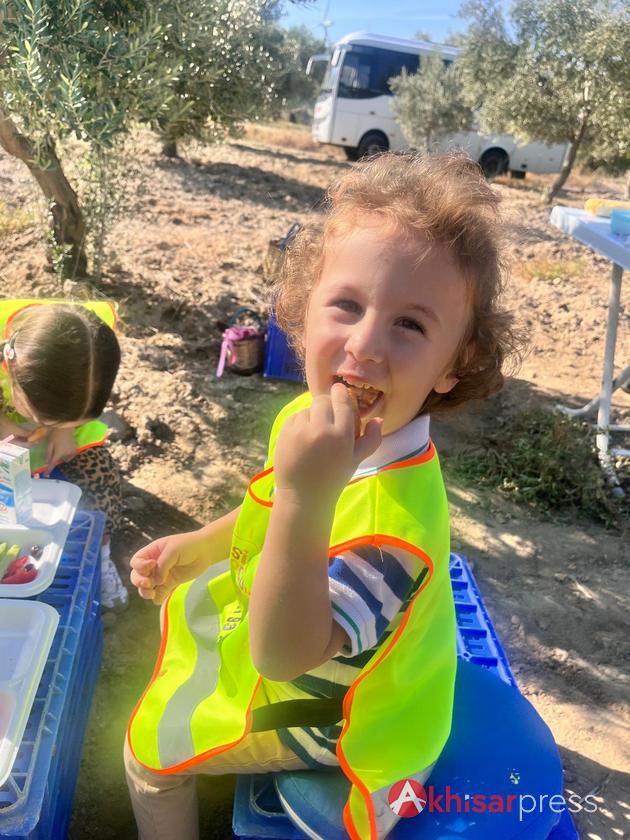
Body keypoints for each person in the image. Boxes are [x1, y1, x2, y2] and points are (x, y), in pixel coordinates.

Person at [124, 151, 520, 840]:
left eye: (410, 325)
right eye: (347, 305)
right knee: (188, 634)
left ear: (454, 365)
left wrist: (307, 498)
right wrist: (204, 544)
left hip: (343, 718)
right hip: (313, 651)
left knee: (146, 758)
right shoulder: (316, 423)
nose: (364, 345)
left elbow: (284, 655)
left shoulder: (392, 532)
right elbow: (270, 503)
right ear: (303, 315)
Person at [0, 299, 128, 610]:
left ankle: (100, 555)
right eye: (47, 418)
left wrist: (63, 430)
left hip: (62, 443)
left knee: (100, 478)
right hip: (6, 434)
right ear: (13, 374)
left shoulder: (91, 347)